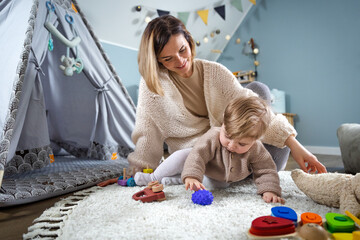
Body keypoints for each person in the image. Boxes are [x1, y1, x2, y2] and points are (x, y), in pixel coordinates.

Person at [127, 14, 327, 176]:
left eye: (182, 50)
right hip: (197, 157)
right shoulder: (152, 86)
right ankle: (248, 175)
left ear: (189, 41)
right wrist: (140, 170)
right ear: (158, 61)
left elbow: (255, 112)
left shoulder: (215, 72)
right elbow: (148, 132)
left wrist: (295, 146)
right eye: (168, 59)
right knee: (257, 101)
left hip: (233, 147)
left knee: (259, 93)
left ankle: (260, 173)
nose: (180, 61)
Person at [135, 96, 285, 204]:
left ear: (255, 140)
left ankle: (179, 180)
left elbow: (266, 169)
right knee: (182, 156)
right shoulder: (213, 136)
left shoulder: (256, 148)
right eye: (227, 136)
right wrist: (193, 175)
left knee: (220, 185)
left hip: (220, 178)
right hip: (203, 164)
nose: (231, 145)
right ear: (223, 123)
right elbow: (197, 155)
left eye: (242, 144)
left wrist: (270, 190)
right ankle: (154, 177)